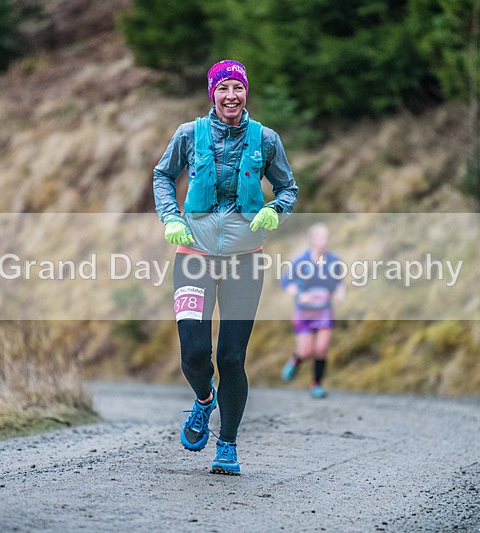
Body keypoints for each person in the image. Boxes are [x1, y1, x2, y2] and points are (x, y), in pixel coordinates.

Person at [153, 60, 298, 475]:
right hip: (194, 258)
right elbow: (163, 176)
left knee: (232, 358)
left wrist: (275, 209)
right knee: (195, 353)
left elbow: (289, 188)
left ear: (246, 93)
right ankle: (203, 400)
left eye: (238, 87)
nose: (231, 95)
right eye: (224, 88)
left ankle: (228, 445)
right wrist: (172, 218)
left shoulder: (265, 140)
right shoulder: (188, 134)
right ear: (212, 93)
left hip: (245, 262)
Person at [280, 223, 345, 398]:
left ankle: (316, 384)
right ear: (312, 240)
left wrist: (340, 292)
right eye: (320, 237)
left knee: (322, 348)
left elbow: (339, 282)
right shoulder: (301, 260)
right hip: (304, 310)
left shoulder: (333, 261)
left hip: (324, 309)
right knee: (306, 351)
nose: (324, 241)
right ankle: (296, 360)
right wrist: (299, 295)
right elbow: (287, 282)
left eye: (326, 238)